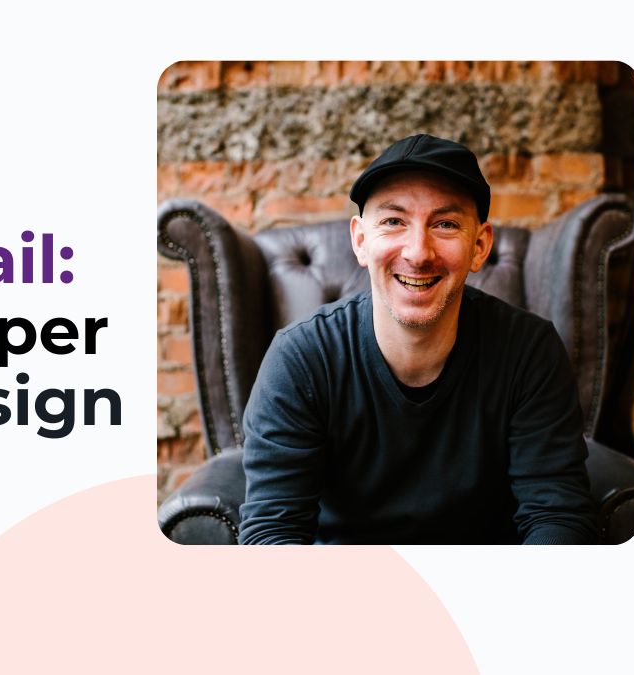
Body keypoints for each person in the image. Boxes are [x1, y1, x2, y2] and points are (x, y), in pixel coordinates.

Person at [237, 134, 597, 545]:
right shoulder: (301, 359)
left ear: (479, 246)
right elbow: (273, 532)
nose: (418, 252)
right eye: (393, 221)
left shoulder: (530, 352)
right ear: (360, 241)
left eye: (445, 224)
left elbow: (558, 516)